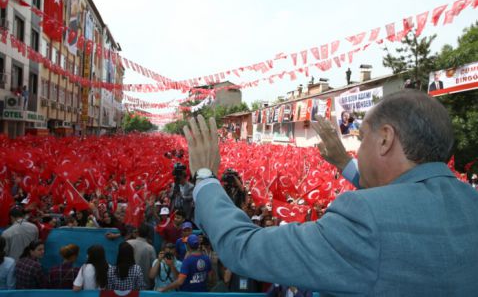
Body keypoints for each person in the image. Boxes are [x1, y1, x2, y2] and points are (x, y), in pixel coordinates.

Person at [183, 90, 478, 295]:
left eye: (362, 138)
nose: (358, 150)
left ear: (385, 139)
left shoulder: (364, 217)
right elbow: (404, 200)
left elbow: (243, 247)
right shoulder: (469, 201)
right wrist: (344, 164)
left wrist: (206, 178)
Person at [127, 223, 156, 288]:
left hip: (127, 283)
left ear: (137, 232)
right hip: (144, 284)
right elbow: (153, 267)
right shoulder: (150, 248)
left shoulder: (128, 243)